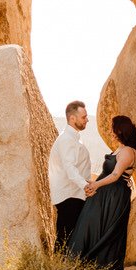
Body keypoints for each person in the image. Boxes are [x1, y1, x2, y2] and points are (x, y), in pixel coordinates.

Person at [67, 114, 136, 270]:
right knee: (88, 229)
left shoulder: (128, 151)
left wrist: (95, 185)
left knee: (108, 234)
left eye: (113, 129)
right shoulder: (119, 149)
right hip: (103, 195)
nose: (111, 132)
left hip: (115, 197)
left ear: (120, 131)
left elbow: (115, 175)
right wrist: (94, 189)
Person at [48, 99, 92, 249]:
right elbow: (70, 168)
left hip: (75, 194)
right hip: (69, 196)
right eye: (83, 117)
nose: (87, 119)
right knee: (65, 238)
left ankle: (65, 269)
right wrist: (86, 186)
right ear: (72, 118)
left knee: (69, 238)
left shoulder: (73, 138)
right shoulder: (66, 140)